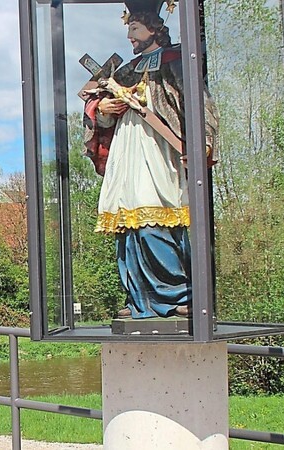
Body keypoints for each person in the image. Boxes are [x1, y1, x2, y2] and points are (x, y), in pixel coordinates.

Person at [82, 0, 218, 319]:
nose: (130, 36)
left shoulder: (175, 60)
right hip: (127, 149)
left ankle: (176, 295)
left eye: (135, 29)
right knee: (128, 221)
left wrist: (204, 143)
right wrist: (102, 111)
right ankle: (139, 299)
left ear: (154, 29)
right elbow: (93, 105)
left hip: (158, 148)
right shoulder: (125, 70)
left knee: (155, 215)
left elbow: (199, 104)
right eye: (129, 29)